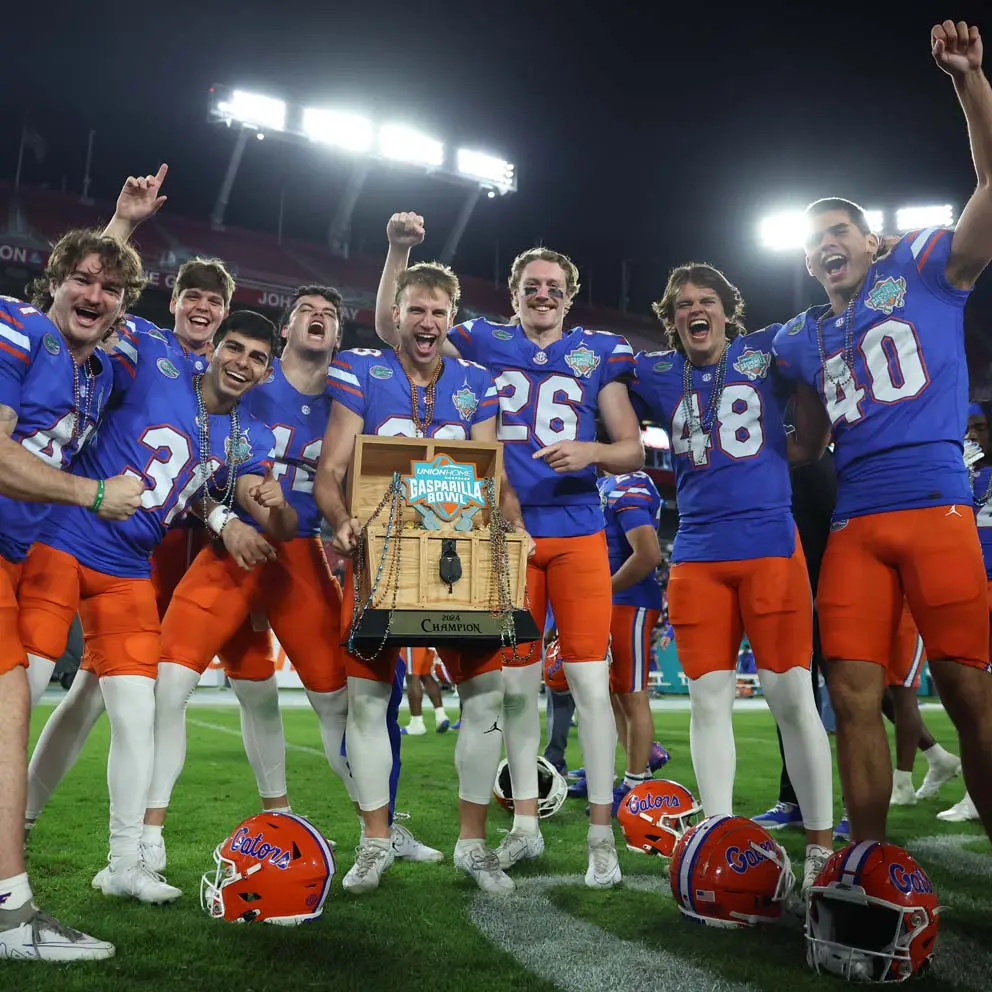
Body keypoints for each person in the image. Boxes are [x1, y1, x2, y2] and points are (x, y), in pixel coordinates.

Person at [375, 213, 644, 889]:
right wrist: (400, 251)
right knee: (515, 690)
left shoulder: (597, 353)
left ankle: (601, 835)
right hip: (504, 538)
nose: (542, 293)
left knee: (587, 683)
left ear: (568, 294)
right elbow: (396, 326)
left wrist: (592, 451)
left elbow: (633, 446)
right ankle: (524, 825)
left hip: (579, 531)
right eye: (531, 284)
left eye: (553, 285)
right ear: (515, 293)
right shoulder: (483, 340)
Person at [772, 20, 992, 843]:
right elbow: (806, 441)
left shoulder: (926, 267)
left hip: (937, 509)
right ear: (806, 264)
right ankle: (861, 858)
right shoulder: (799, 335)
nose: (828, 246)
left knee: (970, 695)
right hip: (857, 526)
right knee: (854, 699)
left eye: (840, 232)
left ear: (870, 242)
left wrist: (968, 81)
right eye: (814, 241)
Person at [19, 311, 292, 904]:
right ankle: (14, 830)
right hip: (65, 534)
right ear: (215, 348)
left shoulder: (247, 435)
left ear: (267, 371)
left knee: (137, 715)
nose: (241, 363)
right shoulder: (157, 361)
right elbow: (87, 334)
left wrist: (267, 506)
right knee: (23, 689)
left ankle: (124, 862)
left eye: (255, 357)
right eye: (234, 349)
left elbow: (259, 508)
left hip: (127, 566)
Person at [317, 260, 527, 894]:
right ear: (396, 318)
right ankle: (375, 840)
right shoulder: (362, 371)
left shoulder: (476, 381)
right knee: (369, 699)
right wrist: (339, 521)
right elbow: (332, 472)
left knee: (486, 697)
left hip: (459, 560)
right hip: (379, 556)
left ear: (450, 319)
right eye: (416, 311)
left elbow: (495, 476)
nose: (427, 322)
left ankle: (472, 844)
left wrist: (512, 530)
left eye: (438, 312)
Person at [632, 262, 836, 894]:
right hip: (696, 553)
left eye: (707, 301)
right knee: (707, 701)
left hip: (772, 545)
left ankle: (821, 848)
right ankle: (718, 836)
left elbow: (819, 373)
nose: (696, 310)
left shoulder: (765, 349)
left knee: (792, 697)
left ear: (727, 310)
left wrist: (809, 443)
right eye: (684, 304)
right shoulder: (657, 371)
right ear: (671, 320)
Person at [0, 228, 145, 960]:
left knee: (12, 703)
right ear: (50, 280)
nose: (94, 294)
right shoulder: (18, 329)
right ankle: (8, 916)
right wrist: (94, 493)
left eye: (111, 288)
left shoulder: (95, 370)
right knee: (11, 703)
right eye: (81, 279)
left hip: (14, 555)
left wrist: (122, 227)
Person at [595, 468, 667, 812]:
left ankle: (637, 782)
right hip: (614, 601)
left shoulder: (629, 483)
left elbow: (648, 554)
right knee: (615, 692)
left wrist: (601, 590)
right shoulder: (605, 484)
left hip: (630, 600)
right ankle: (632, 772)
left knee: (632, 693)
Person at [401, 647, 452, 734]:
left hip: (413, 637)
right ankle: (441, 716)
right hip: (426, 638)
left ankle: (417, 724)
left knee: (412, 676)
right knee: (426, 675)